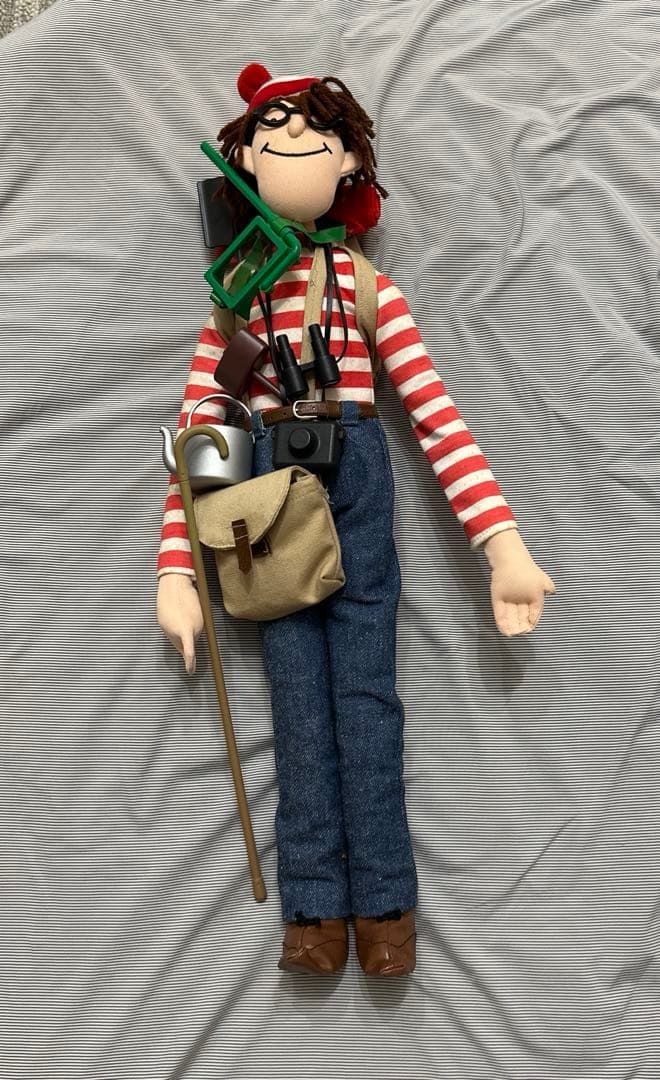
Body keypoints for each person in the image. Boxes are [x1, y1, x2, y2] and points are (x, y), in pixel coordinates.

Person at [157, 64, 556, 977]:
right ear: (243, 160)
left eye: (318, 132)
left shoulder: (370, 290)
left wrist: (502, 544)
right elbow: (202, 436)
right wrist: (176, 570)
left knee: (368, 699)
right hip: (265, 502)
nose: (294, 142)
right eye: (272, 132)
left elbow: (438, 419)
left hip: (357, 478)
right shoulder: (235, 300)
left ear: (350, 162)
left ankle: (385, 904)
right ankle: (312, 907)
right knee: (296, 699)